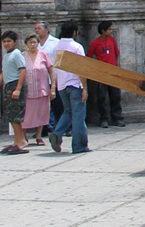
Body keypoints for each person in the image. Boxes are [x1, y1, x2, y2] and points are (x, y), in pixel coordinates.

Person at [48, 21, 90, 155]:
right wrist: (84, 88)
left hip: (62, 84)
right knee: (78, 116)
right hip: (75, 84)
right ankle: (79, 145)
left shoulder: (57, 47)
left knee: (68, 112)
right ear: (74, 32)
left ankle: (57, 133)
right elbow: (82, 68)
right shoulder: (76, 47)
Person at [0, 31, 29, 154]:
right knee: (10, 115)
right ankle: (16, 141)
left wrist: (18, 89)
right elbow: (3, 74)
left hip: (16, 85)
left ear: (15, 42)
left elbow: (23, 71)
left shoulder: (17, 54)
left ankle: (22, 141)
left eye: (9, 41)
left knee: (15, 115)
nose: (6, 44)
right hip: (8, 85)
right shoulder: (6, 56)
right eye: (4, 41)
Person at [86, 21, 125, 127]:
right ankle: (103, 118)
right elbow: (89, 56)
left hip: (113, 71)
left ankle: (117, 117)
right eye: (108, 29)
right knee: (101, 97)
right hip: (101, 72)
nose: (110, 31)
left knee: (115, 96)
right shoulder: (95, 43)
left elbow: (116, 53)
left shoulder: (111, 40)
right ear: (103, 31)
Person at [21, 33, 55, 145]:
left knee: (41, 113)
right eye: (30, 43)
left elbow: (51, 71)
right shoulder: (22, 56)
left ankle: (39, 136)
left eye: (34, 42)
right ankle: (23, 136)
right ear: (26, 44)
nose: (32, 45)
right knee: (26, 114)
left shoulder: (44, 54)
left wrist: (53, 87)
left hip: (42, 88)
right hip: (28, 90)